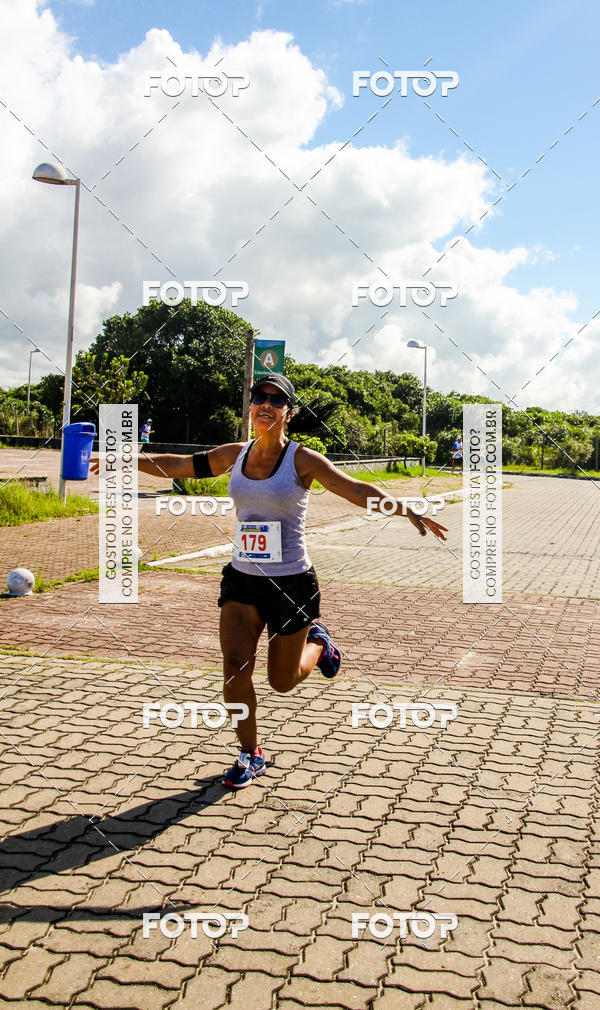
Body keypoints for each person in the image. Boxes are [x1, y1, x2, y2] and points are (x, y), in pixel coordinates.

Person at [91, 377, 447, 788]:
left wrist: (405, 509)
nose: (265, 404)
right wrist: (125, 459)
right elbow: (178, 465)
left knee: (281, 681)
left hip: (292, 584)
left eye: (276, 400)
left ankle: (320, 644)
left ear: (288, 413)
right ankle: (250, 752)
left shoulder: (302, 460)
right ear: (250, 408)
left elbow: (353, 490)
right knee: (233, 669)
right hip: (243, 579)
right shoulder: (234, 454)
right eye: (259, 397)